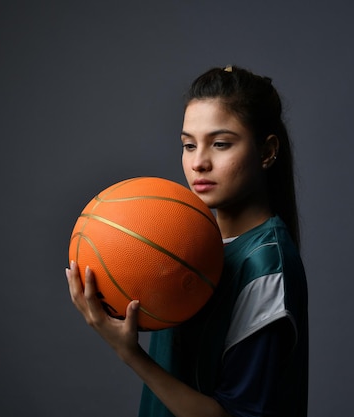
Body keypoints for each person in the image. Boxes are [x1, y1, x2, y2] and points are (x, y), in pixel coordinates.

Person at [66, 65, 308, 417]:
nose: (198, 163)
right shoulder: (186, 247)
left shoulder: (266, 266)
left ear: (267, 151)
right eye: (188, 145)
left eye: (221, 144)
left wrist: (129, 353)